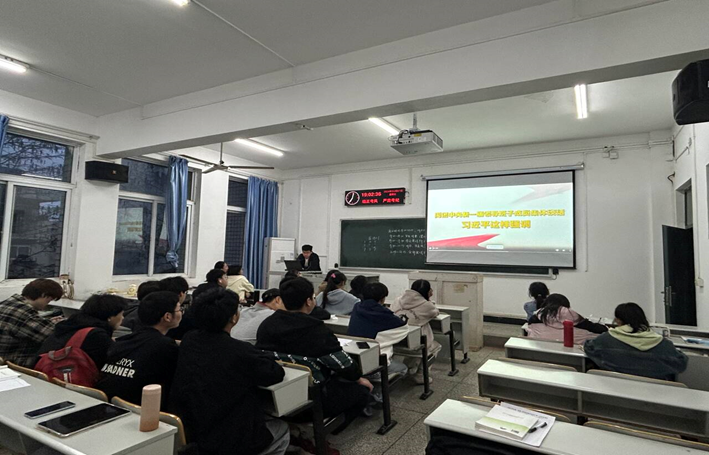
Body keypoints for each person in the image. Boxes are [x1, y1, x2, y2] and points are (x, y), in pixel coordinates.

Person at [171, 288, 289, 455]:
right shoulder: (239, 350)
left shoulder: (189, 340)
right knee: (281, 429)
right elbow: (275, 373)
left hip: (191, 428)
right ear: (234, 318)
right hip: (226, 437)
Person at [256, 277, 370, 434]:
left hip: (273, 399)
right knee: (362, 391)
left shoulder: (266, 325)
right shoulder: (316, 330)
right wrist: (358, 377)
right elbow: (344, 365)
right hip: (310, 401)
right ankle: (329, 431)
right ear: (309, 301)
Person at [97, 291, 181, 409]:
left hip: (106, 403)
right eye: (179, 309)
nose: (182, 313)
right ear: (167, 316)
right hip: (138, 409)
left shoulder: (123, 340)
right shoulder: (165, 346)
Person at [584, 303, 688, 381]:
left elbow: (589, 347)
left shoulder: (606, 339)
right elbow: (681, 363)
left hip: (614, 389)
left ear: (618, 320)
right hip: (656, 393)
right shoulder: (662, 343)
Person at [37, 294, 127, 372]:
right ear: (110, 317)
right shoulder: (96, 335)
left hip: (43, 371)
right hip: (70, 379)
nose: (123, 318)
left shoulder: (68, 325)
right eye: (121, 314)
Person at [348, 282, 408, 375]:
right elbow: (403, 329)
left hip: (353, 358)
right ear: (382, 299)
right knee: (403, 368)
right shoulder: (385, 315)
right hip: (374, 365)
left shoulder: (357, 307)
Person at [0, 279, 64, 366]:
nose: (47, 304)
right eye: (48, 300)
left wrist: (47, 322)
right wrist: (60, 324)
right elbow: (51, 336)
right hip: (13, 363)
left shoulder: (7, 303)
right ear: (43, 295)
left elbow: (23, 325)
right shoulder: (25, 313)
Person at [391, 279, 441, 384]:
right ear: (427, 291)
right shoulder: (427, 306)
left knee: (416, 346)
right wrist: (429, 300)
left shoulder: (398, 300)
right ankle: (420, 375)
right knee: (434, 347)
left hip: (396, 339)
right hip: (415, 342)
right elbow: (435, 312)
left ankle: (409, 369)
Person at [526, 294, 607, 344]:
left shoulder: (535, 319)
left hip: (540, 355)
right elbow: (601, 330)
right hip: (574, 356)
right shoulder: (573, 317)